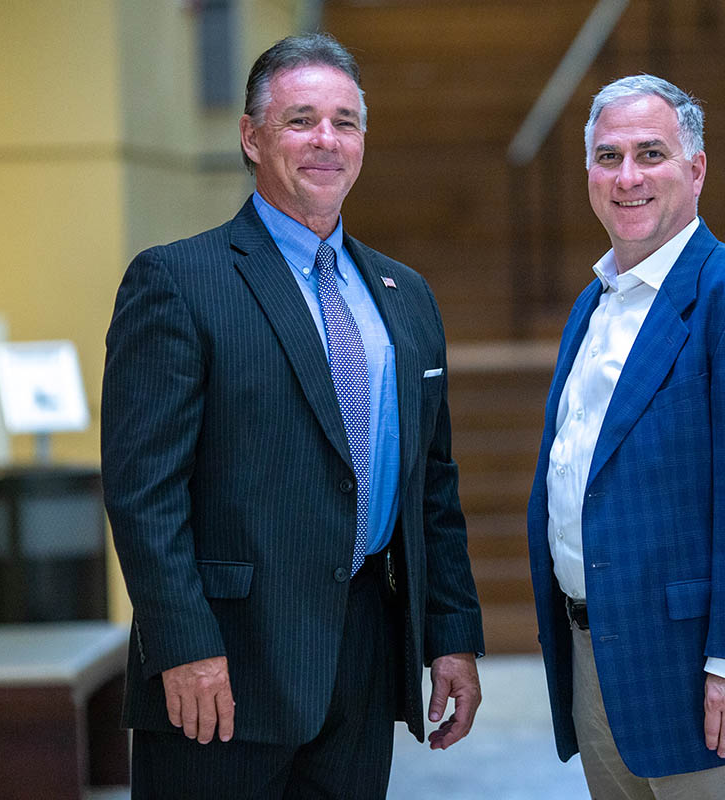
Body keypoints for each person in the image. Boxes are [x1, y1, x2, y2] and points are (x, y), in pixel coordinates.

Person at [101, 33, 484, 799]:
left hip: (365, 660)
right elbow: (145, 493)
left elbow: (432, 488)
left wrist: (452, 637)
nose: (326, 141)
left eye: (345, 122)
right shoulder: (178, 282)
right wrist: (184, 645)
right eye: (301, 119)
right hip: (224, 667)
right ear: (251, 136)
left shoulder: (405, 295)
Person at [526, 74, 725, 799]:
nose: (627, 176)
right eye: (608, 156)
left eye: (651, 153)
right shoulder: (591, 306)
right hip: (594, 656)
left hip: (699, 671)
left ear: (696, 169)